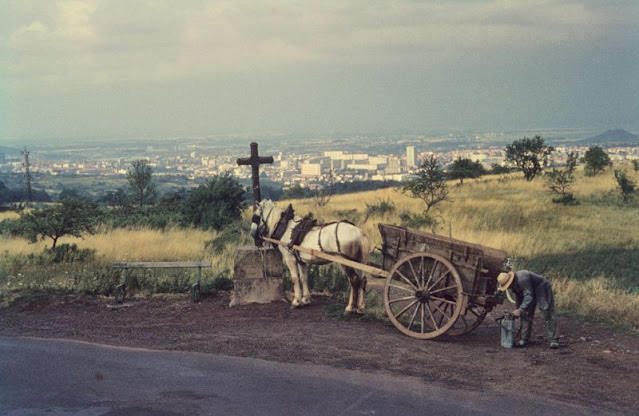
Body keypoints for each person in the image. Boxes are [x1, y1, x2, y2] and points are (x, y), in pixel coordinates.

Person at [497, 270, 559, 349]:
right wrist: (519, 310)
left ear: (510, 281)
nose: (508, 288)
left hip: (542, 287)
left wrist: (520, 309)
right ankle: (524, 339)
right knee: (525, 314)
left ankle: (554, 340)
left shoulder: (522, 279)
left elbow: (529, 296)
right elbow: (520, 299)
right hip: (529, 291)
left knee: (546, 311)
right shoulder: (514, 285)